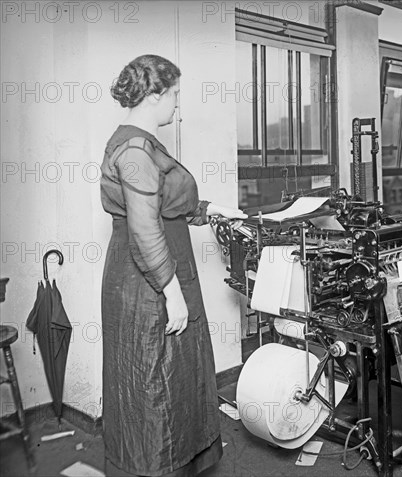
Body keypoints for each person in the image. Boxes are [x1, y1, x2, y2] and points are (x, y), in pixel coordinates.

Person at [100, 54, 246, 476]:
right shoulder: (134, 148)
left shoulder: (142, 144)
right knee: (152, 385)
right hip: (147, 281)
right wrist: (171, 293)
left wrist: (214, 209)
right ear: (153, 95)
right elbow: (145, 229)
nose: (178, 104)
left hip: (160, 270)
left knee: (173, 379)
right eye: (175, 94)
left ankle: (178, 462)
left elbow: (165, 202)